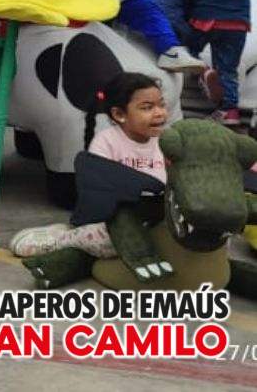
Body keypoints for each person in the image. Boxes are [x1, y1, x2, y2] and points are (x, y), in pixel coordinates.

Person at [10, 73, 166, 259]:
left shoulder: (168, 142)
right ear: (119, 114)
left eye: (161, 105)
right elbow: (97, 191)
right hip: (114, 220)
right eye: (147, 108)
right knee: (107, 239)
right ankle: (63, 240)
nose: (159, 113)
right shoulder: (106, 142)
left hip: (156, 218)